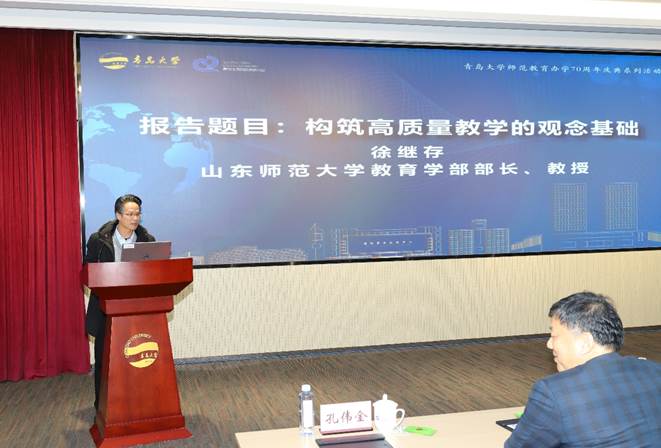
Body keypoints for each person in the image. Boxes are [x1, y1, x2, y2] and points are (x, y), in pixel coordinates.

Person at [505, 291, 661, 447]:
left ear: (585, 342)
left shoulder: (554, 391)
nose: (549, 344)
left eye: (554, 336)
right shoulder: (655, 371)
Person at [84, 194, 155, 410]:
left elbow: (153, 273)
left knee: (135, 359)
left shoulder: (147, 240)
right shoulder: (99, 240)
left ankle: (135, 403)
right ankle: (103, 406)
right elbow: (88, 272)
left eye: (138, 214)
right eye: (130, 214)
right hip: (105, 309)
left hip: (136, 309)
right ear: (118, 215)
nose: (135, 218)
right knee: (106, 361)